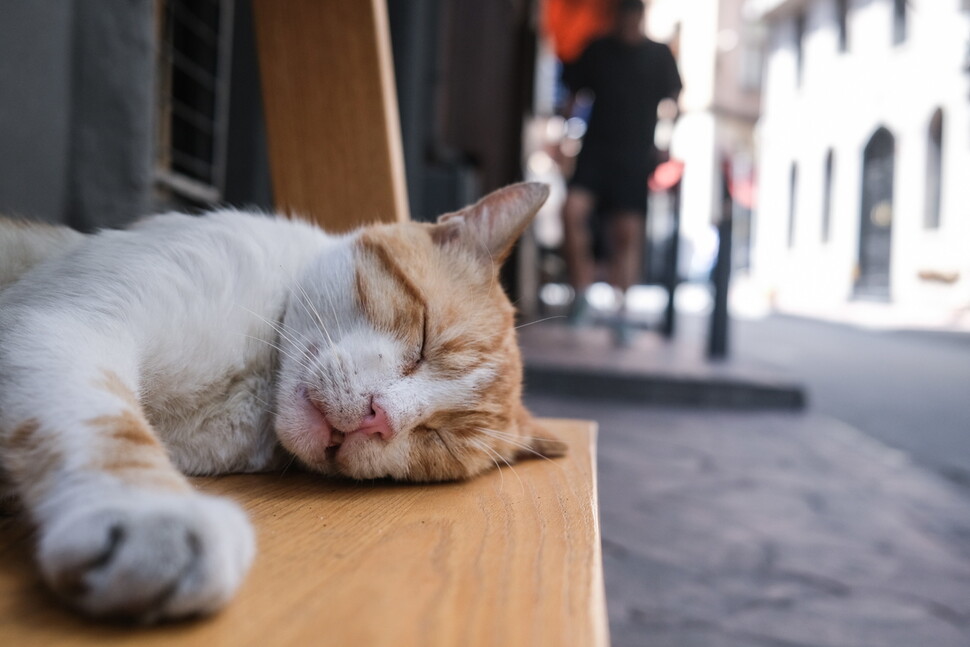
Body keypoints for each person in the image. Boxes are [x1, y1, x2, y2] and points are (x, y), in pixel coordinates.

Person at [560, 0, 682, 346]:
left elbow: (673, 102)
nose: (628, 23)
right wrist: (563, 136)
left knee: (626, 232)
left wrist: (666, 143)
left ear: (641, 17)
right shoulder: (598, 50)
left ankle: (622, 311)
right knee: (572, 211)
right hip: (596, 150)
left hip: (634, 155)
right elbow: (572, 97)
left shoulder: (659, 56)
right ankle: (582, 292)